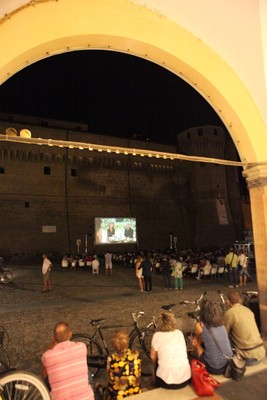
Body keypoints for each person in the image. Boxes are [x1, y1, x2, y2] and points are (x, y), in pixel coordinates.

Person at [42, 321, 94, 400]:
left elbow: (44, 376)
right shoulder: (81, 347)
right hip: (87, 398)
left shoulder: (47, 356)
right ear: (70, 334)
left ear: (53, 337)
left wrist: (53, 342)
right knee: (88, 373)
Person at [224, 290, 265, 366]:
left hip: (247, 357)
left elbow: (224, 333)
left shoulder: (230, 313)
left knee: (226, 339)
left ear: (228, 302)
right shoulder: (248, 310)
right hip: (261, 353)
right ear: (239, 300)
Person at [150, 312, 191, 389]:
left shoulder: (157, 335)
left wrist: (155, 365)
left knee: (155, 368)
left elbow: (152, 357)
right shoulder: (179, 333)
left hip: (165, 381)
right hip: (185, 378)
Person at [192, 300, 233, 374]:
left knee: (196, 342)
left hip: (214, 368)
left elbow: (197, 337)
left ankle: (199, 362)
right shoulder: (222, 324)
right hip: (228, 363)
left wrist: (196, 338)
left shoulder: (200, 325)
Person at [106, 330, 142, 399]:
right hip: (135, 392)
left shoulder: (111, 358)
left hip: (118, 395)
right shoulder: (136, 354)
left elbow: (108, 371)